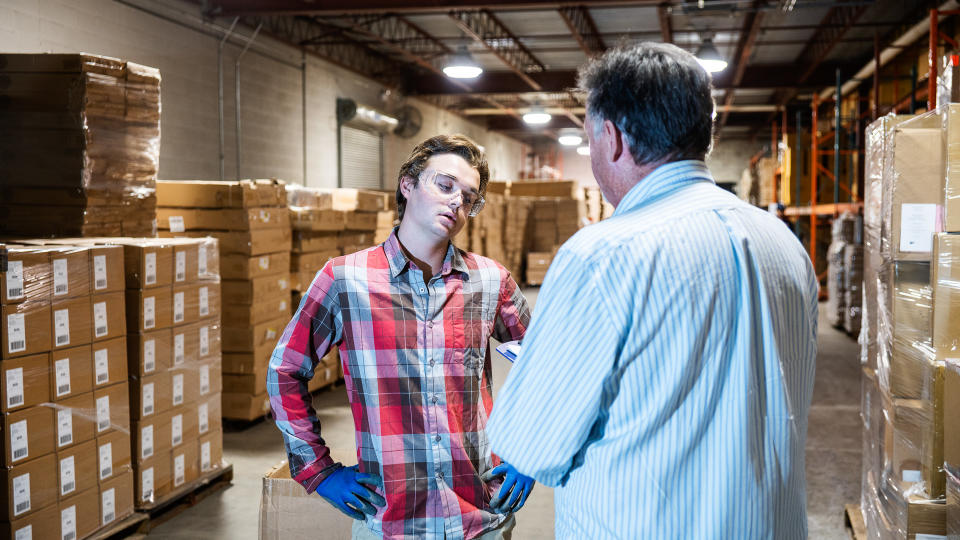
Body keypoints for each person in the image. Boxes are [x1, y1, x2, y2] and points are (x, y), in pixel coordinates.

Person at [486, 43, 819, 538]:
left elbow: (533, 445)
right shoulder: (783, 244)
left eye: (589, 138)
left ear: (614, 138)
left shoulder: (601, 256)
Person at [267, 134, 534, 540]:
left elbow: (547, 366)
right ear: (407, 184)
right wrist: (317, 470)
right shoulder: (344, 280)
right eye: (445, 185)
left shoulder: (491, 281)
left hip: (482, 517)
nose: (456, 203)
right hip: (392, 521)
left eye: (468, 197)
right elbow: (285, 370)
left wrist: (532, 453)